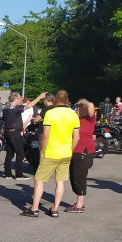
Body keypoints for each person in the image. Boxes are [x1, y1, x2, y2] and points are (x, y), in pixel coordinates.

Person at [22, 90, 80, 218]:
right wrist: (70, 149)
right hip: (66, 152)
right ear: (66, 99)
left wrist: (42, 150)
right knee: (60, 181)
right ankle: (55, 209)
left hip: (51, 152)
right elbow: (76, 137)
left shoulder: (50, 113)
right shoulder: (73, 115)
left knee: (39, 179)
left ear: (56, 100)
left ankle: (35, 208)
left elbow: (45, 135)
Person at [2, 92, 46, 179]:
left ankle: (7, 173)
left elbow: (4, 121)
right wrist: (40, 97)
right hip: (14, 132)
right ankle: (19, 174)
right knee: (20, 153)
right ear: (15, 99)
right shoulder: (16, 107)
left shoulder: (6, 107)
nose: (21, 99)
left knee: (10, 153)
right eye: (20, 98)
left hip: (8, 132)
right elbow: (28, 106)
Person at [67, 99, 95, 213]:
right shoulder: (76, 119)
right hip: (75, 151)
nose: (77, 109)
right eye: (76, 108)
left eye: (79, 108)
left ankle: (79, 205)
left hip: (84, 151)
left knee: (79, 177)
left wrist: (83, 101)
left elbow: (91, 105)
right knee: (74, 177)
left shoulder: (89, 119)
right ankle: (79, 202)